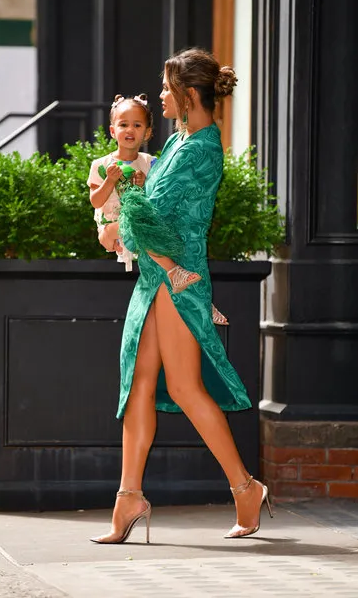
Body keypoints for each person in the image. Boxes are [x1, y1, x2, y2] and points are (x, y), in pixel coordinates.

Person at [91, 48, 271, 545]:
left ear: (189, 95)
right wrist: (125, 200)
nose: (162, 96)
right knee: (138, 385)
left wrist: (118, 205)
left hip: (177, 279)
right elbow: (143, 207)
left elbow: (148, 214)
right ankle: (129, 498)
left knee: (187, 388)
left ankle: (245, 486)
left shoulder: (199, 148)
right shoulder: (178, 140)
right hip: (157, 278)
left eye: (168, 89)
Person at [88, 93, 202, 290]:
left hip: (141, 229)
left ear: (147, 133)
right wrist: (110, 181)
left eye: (137, 125)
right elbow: (96, 202)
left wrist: (144, 185)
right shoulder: (101, 165)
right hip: (110, 227)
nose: (130, 130)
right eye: (123, 125)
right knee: (134, 228)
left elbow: (157, 200)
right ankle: (173, 271)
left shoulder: (150, 163)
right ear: (113, 131)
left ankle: (183, 284)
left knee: (149, 229)